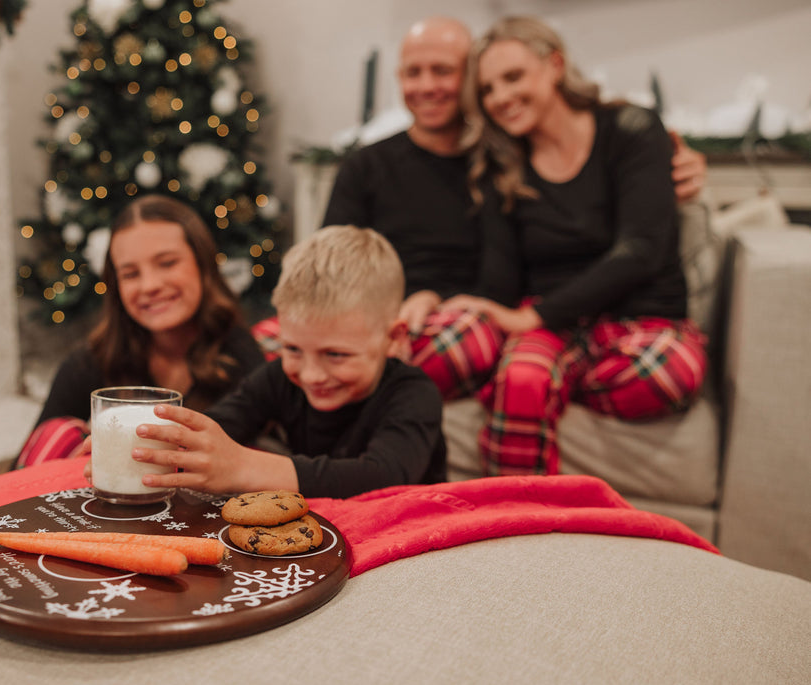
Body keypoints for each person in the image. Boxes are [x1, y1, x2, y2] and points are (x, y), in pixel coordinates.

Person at [297, 15, 709, 400]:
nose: (426, 86)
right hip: (416, 315)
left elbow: (638, 244)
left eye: (443, 71)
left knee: (503, 363)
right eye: (412, 72)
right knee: (515, 377)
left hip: (502, 319)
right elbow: (331, 268)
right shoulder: (378, 165)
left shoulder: (511, 155)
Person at [454, 16, 708, 476]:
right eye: (488, 89)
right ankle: (517, 522)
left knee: (670, 372)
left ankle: (552, 391)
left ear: (555, 65)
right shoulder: (500, 163)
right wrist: (484, 310)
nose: (501, 98)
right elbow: (502, 276)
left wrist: (532, 318)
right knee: (522, 375)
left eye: (513, 77)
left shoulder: (630, 126)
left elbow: (641, 249)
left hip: (641, 316)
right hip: (558, 328)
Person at [129, 226, 446, 499]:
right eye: (293, 349)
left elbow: (383, 476)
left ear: (394, 337)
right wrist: (142, 445)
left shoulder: (414, 393)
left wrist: (244, 466)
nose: (310, 375)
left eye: (335, 354)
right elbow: (221, 423)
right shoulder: (279, 377)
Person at [15, 194, 266, 468]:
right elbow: (22, 471)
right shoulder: (89, 363)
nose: (149, 286)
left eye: (167, 263)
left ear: (203, 265)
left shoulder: (241, 356)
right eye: (131, 274)